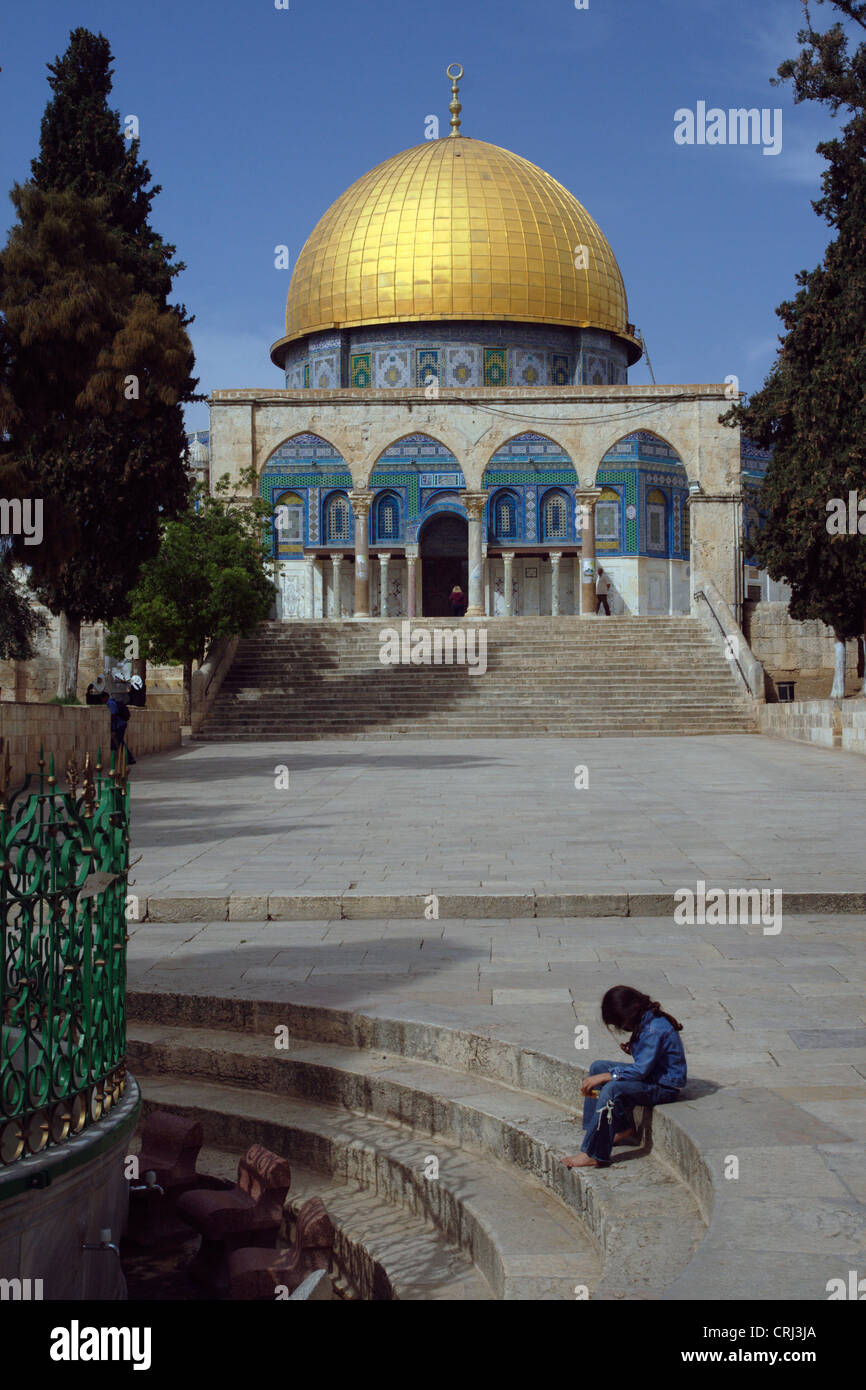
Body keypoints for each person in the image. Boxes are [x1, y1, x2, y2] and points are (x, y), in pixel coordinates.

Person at [561, 985, 686, 1169]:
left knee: (611, 1088)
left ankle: (594, 1153)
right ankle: (605, 1131)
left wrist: (608, 1076)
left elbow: (641, 1071)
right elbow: (648, 1060)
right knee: (598, 1067)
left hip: (663, 1086)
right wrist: (633, 1048)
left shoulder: (653, 1029)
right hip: (651, 1075)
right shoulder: (646, 1020)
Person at [101, 690, 137, 765]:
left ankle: (129, 759)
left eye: (103, 698)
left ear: (106, 697)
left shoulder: (110, 703)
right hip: (120, 724)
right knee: (118, 742)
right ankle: (123, 759)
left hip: (119, 725)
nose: (102, 700)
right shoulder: (111, 702)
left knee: (119, 742)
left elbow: (114, 714)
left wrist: (113, 728)